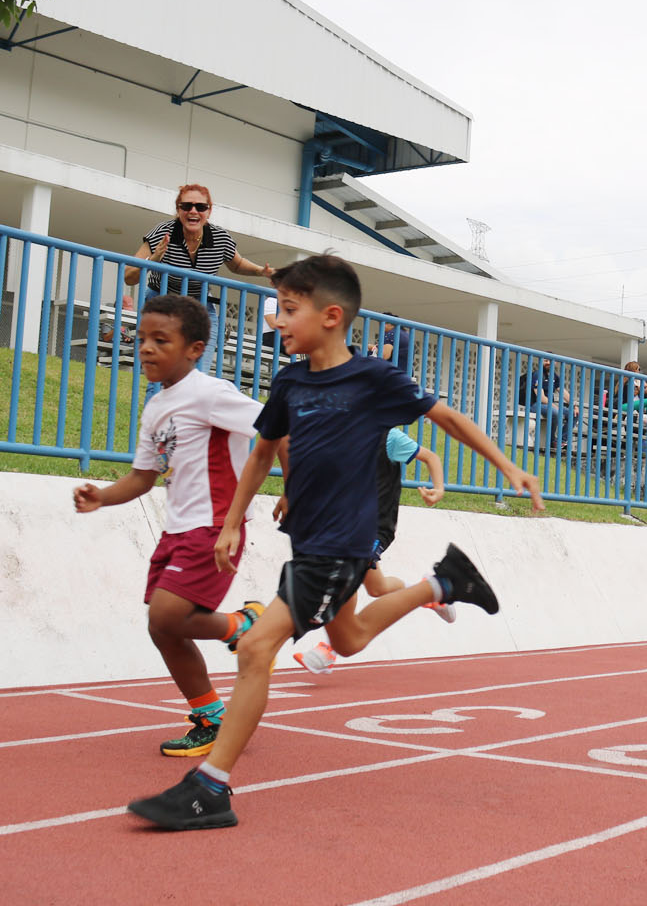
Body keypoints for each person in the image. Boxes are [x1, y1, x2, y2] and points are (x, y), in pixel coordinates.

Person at [126, 254, 544, 829]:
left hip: (342, 543)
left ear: (330, 316)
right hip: (309, 539)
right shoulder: (291, 380)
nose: (278, 322)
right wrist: (233, 519)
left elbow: (446, 419)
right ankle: (446, 581)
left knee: (254, 650)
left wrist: (509, 468)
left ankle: (210, 789)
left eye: (288, 311)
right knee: (348, 637)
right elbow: (264, 451)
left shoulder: (372, 379)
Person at [72, 295, 266, 757]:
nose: (146, 349)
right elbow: (143, 476)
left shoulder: (211, 393)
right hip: (177, 529)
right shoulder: (157, 407)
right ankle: (211, 716)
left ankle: (245, 624)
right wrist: (102, 496)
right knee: (163, 628)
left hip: (217, 526)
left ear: (194, 348)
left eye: (161, 340)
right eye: (141, 339)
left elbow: (276, 427)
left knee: (166, 615)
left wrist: (293, 493)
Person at [293, 428, 451, 674]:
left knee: (348, 573)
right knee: (378, 588)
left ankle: (329, 648)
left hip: (376, 527)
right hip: (346, 526)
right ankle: (426, 591)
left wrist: (438, 489)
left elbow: (432, 457)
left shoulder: (389, 437)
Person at [125, 185, 275, 398]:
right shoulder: (163, 232)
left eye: (200, 206)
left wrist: (262, 271)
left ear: (209, 211)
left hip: (200, 308)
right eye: (186, 206)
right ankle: (155, 429)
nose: (193, 211)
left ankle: (182, 429)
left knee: (195, 378)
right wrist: (155, 259)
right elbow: (129, 275)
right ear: (178, 210)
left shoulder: (219, 238)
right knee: (161, 377)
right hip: (163, 304)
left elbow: (237, 264)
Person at [517, 357, 576, 454]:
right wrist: (556, 407)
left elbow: (564, 393)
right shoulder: (538, 375)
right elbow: (541, 398)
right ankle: (551, 441)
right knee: (555, 412)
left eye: (550, 360)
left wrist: (574, 405)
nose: (548, 362)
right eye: (545, 360)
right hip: (535, 405)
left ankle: (561, 441)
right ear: (542, 362)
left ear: (555, 362)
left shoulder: (554, 377)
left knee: (574, 414)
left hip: (549, 406)